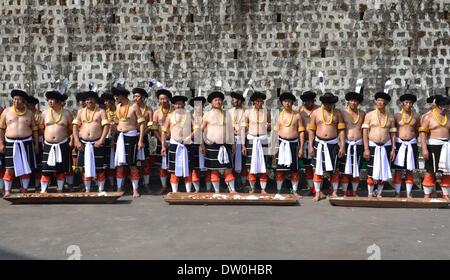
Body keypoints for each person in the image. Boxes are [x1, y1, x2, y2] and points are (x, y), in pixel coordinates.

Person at [0, 90, 39, 197]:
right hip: (10, 143)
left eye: (19, 100)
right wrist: (1, 143)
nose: (16, 102)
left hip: (26, 142)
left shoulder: (30, 113)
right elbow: (2, 129)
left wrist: (36, 144)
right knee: (10, 168)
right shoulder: (6, 112)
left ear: (24, 102)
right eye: (15, 99)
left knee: (26, 167)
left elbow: (35, 130)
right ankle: (7, 190)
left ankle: (25, 189)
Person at [308, 92, 346, 202]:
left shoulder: (338, 113)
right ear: (322, 103)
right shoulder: (315, 113)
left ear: (333, 103)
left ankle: (334, 191)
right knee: (317, 169)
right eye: (326, 103)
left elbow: (341, 131)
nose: (328, 105)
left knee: (334, 170)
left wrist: (342, 146)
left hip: (333, 144)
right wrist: (310, 146)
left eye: (330, 103)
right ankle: (318, 193)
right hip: (318, 143)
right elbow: (311, 131)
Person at [72, 90, 110, 193]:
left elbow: (106, 126)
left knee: (100, 168)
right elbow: (75, 127)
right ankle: (87, 190)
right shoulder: (80, 112)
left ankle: (101, 189)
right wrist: (77, 141)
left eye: (91, 99)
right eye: (87, 99)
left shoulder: (101, 111)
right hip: (83, 143)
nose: (89, 101)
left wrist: (101, 140)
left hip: (97, 143)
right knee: (84, 168)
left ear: (95, 100)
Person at [112, 86, 146, 198]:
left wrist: (140, 140)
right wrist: (113, 139)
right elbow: (117, 123)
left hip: (131, 137)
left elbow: (141, 124)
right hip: (119, 137)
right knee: (120, 165)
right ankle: (119, 188)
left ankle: (135, 190)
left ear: (122, 95)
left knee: (132, 164)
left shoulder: (134, 106)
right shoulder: (117, 107)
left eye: (117, 96)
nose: (116, 98)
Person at [362, 91, 396, 198]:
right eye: (379, 100)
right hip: (372, 146)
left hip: (386, 145)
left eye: (383, 101)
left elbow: (393, 134)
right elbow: (365, 132)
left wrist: (393, 149)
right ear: (376, 101)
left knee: (384, 171)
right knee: (371, 171)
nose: (381, 102)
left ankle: (379, 193)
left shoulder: (390, 117)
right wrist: (366, 148)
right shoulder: (369, 115)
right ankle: (370, 193)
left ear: (386, 103)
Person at [201, 91, 236, 193]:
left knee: (228, 169)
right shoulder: (207, 115)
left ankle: (232, 190)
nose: (218, 102)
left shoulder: (227, 114)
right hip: (212, 146)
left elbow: (230, 130)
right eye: (215, 100)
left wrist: (233, 143)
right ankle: (217, 192)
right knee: (214, 169)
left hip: (226, 145)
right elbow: (200, 130)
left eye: (219, 100)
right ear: (212, 102)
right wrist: (201, 145)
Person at [39, 90, 73, 193]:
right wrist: (44, 140)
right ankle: (43, 190)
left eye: (52, 100)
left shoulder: (67, 113)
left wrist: (71, 140)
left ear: (58, 101)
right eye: (48, 100)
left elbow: (72, 129)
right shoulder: (44, 113)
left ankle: (60, 189)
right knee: (46, 169)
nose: (50, 102)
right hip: (48, 145)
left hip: (62, 144)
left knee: (61, 169)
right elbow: (41, 128)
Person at [274, 92, 305, 195]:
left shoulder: (297, 115)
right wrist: (273, 148)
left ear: (292, 102)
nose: (287, 103)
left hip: (293, 145)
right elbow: (275, 132)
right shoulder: (278, 115)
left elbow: (301, 132)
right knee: (280, 169)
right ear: (282, 103)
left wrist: (301, 148)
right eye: (285, 101)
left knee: (294, 170)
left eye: (289, 101)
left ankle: (294, 191)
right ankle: (278, 191)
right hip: (281, 144)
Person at [420, 95, 450, 200]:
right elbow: (422, 134)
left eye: (448, 106)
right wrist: (424, 149)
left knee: (446, 171)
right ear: (438, 106)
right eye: (446, 106)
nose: (448, 108)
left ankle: (445, 194)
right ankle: (427, 194)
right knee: (430, 170)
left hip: (446, 147)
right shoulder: (428, 117)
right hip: (432, 146)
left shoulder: (448, 117)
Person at [161, 95, 193, 192]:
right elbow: (164, 131)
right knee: (173, 169)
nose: (178, 106)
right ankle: (175, 192)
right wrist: (163, 145)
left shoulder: (189, 115)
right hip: (174, 144)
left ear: (184, 104)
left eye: (180, 104)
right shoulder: (170, 116)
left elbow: (197, 128)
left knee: (188, 169)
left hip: (187, 144)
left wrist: (190, 137)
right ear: (173, 105)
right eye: (176, 104)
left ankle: (188, 192)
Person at [242, 91, 271, 194]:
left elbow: (269, 128)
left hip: (263, 140)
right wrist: (243, 145)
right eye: (257, 101)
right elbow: (243, 129)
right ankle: (252, 188)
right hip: (251, 140)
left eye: (261, 101)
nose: (259, 103)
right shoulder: (247, 112)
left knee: (264, 165)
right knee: (250, 165)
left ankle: (263, 188)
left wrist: (269, 127)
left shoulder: (266, 112)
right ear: (253, 102)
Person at [392, 92, 420, 198]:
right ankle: (397, 193)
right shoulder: (396, 116)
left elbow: (418, 131)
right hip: (399, 144)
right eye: (407, 102)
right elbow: (393, 132)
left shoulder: (417, 116)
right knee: (398, 170)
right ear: (402, 103)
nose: (408, 105)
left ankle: (408, 193)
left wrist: (413, 139)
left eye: (411, 103)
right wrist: (393, 146)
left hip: (411, 144)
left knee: (410, 169)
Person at [339, 90, 365, 196]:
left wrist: (365, 148)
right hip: (346, 144)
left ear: (358, 103)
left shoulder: (363, 114)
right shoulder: (342, 113)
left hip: (358, 144)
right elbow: (340, 130)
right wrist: (342, 146)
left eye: (356, 101)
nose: (353, 103)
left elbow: (364, 131)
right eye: (351, 101)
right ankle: (344, 192)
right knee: (345, 170)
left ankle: (354, 192)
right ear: (348, 102)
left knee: (356, 170)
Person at [132, 87, 153, 193]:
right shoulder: (131, 108)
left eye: (138, 96)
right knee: (133, 161)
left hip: (143, 136)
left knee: (145, 161)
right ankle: (134, 185)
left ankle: (146, 184)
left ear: (143, 98)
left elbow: (150, 125)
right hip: (131, 136)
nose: (135, 98)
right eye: (134, 96)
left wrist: (143, 133)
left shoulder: (148, 110)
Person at [151, 89, 173, 194]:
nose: (163, 100)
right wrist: (162, 141)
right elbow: (154, 129)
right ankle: (164, 186)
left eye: (164, 98)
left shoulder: (174, 111)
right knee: (161, 165)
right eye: (161, 99)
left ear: (168, 99)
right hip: (161, 141)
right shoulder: (156, 113)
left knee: (174, 164)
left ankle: (174, 187)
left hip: (174, 141)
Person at [299, 91, 320, 195]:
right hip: (304, 141)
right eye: (306, 101)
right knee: (307, 166)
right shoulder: (300, 110)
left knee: (316, 165)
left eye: (310, 101)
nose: (308, 103)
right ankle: (311, 187)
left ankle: (317, 188)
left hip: (317, 141)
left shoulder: (319, 109)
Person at [228, 91, 248, 191]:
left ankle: (243, 184)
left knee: (243, 163)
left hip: (244, 139)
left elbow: (247, 127)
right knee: (231, 162)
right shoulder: (229, 112)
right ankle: (232, 184)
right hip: (232, 139)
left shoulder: (246, 112)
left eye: (234, 99)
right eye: (232, 99)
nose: (232, 101)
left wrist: (243, 144)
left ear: (239, 101)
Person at [189, 96, 207, 192]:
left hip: (206, 142)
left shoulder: (206, 116)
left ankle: (206, 184)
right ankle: (196, 187)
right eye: (196, 105)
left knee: (206, 165)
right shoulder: (190, 116)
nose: (199, 107)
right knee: (195, 166)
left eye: (200, 105)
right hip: (194, 143)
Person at [100, 92, 117, 189]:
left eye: (107, 101)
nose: (106, 103)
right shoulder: (104, 112)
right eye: (105, 101)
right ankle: (106, 181)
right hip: (106, 137)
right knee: (106, 160)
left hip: (116, 137)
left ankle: (114, 182)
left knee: (114, 160)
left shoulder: (118, 111)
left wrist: (113, 139)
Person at [26, 95, 43, 192]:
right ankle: (25, 186)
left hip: (38, 141)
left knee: (38, 165)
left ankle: (37, 185)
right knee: (26, 164)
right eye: (28, 105)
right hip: (26, 141)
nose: (29, 106)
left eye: (31, 105)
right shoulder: (24, 114)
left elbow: (41, 130)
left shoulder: (39, 115)